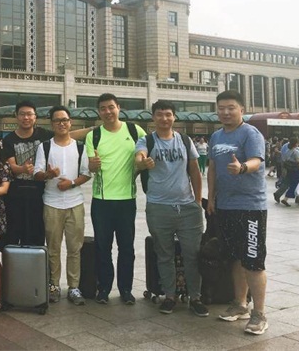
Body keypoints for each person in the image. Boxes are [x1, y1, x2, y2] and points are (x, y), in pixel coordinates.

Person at [134, 100, 208, 317]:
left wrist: (197, 201)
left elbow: (194, 170)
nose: (164, 118)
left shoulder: (185, 140)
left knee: (193, 254)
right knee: (164, 254)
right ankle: (170, 296)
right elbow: (139, 157)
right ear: (153, 117)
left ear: (174, 117)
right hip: (159, 208)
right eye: (159, 114)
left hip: (187, 208)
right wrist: (143, 162)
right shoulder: (147, 140)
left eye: (168, 114)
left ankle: (195, 297)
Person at [207, 90, 268, 335]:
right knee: (235, 257)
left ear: (241, 109)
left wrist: (242, 167)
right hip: (225, 206)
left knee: (253, 260)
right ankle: (240, 304)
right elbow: (212, 168)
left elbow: (257, 161)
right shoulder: (216, 136)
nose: (225, 112)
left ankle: (259, 313)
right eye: (221, 108)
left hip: (251, 207)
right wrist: (211, 197)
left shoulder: (251, 133)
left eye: (231, 107)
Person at [1, 100, 91, 248]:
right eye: (22, 114)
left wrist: (94, 129)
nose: (26, 117)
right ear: (16, 116)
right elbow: (10, 165)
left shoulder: (43, 134)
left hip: (38, 193)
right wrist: (23, 169)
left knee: (36, 235)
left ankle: (35, 262)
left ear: (35, 117)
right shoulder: (9, 139)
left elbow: (67, 135)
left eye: (29, 114)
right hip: (16, 193)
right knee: (13, 234)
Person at [86, 93, 146, 305]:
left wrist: (142, 165)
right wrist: (91, 166)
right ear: (99, 112)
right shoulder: (94, 135)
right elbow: (90, 166)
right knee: (103, 247)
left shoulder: (135, 131)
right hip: (101, 201)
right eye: (103, 108)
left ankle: (126, 289)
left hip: (127, 200)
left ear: (119, 108)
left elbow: (144, 154)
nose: (108, 112)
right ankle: (103, 288)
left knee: (127, 248)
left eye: (111, 107)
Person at [34, 106, 90, 306]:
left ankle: (74, 286)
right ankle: (54, 285)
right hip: (52, 203)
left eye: (65, 120)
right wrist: (48, 174)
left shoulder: (80, 147)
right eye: (57, 120)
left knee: (75, 248)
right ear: (52, 124)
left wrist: (71, 183)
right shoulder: (45, 147)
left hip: (75, 203)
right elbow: (37, 173)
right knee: (53, 248)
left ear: (70, 122)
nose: (62, 123)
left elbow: (86, 173)